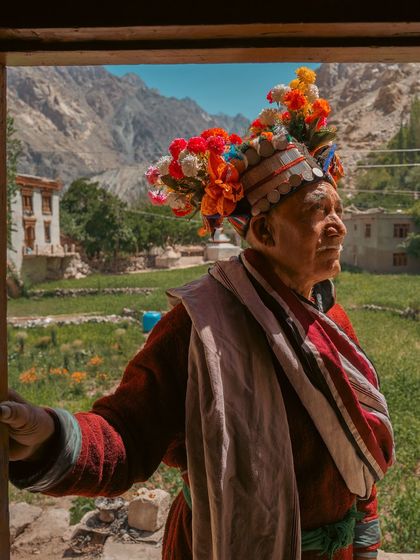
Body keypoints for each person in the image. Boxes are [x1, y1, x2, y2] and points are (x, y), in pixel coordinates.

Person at [1, 67, 394, 560]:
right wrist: (50, 437)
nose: (338, 225)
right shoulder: (200, 327)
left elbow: (355, 445)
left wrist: (365, 541)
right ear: (266, 233)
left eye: (338, 209)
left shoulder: (330, 317)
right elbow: (128, 432)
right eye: (318, 212)